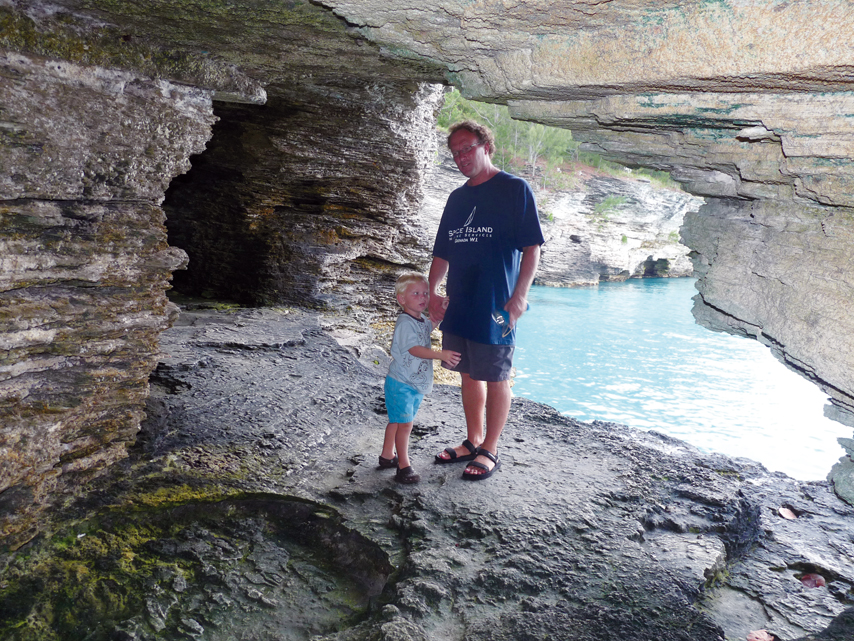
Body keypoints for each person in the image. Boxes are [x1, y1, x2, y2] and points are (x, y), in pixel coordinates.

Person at [429, 120, 544, 481]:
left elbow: (532, 247)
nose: (461, 157)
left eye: (467, 148)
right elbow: (442, 252)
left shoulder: (514, 189)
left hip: (496, 301)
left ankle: (490, 448)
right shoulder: (457, 198)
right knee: (466, 372)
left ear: (486, 146)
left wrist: (520, 296)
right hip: (460, 300)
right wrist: (432, 291)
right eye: (455, 152)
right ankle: (473, 440)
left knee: (496, 375)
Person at [380, 272, 462, 484]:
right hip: (401, 383)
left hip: (413, 382)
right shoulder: (405, 323)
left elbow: (429, 325)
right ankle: (403, 466)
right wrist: (439, 354)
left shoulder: (419, 320)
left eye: (425, 293)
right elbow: (414, 348)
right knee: (405, 424)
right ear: (402, 299)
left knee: (398, 420)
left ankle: (387, 456)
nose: (422, 297)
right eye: (415, 293)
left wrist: (441, 310)